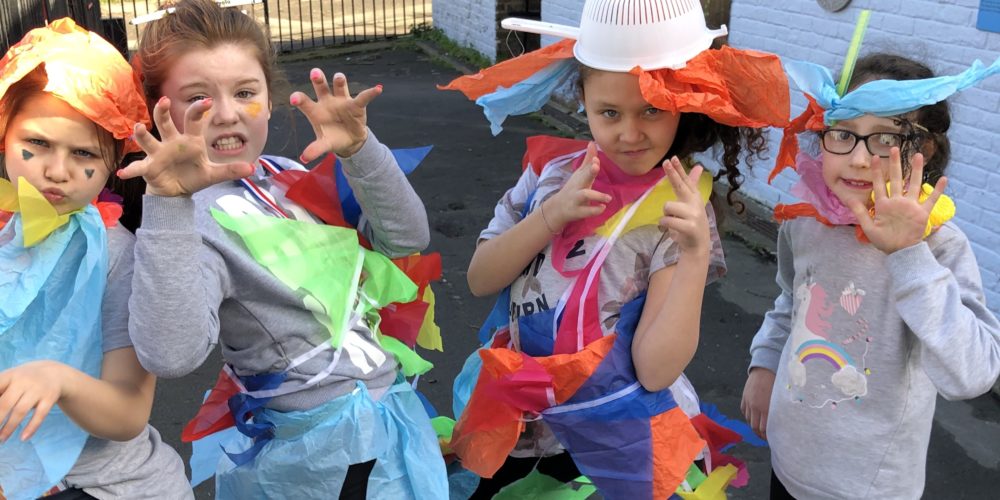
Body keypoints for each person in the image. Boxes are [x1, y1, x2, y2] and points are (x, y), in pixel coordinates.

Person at [441, 0, 790, 497]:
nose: (629, 133)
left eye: (652, 110)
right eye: (609, 112)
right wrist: (550, 216)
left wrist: (693, 257)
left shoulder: (680, 210)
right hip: (516, 428)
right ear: (582, 98)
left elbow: (655, 371)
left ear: (683, 103)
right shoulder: (549, 176)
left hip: (613, 444)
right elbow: (480, 279)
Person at [120, 0, 447, 498]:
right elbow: (171, 354)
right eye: (199, 99)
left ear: (269, 102)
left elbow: (405, 237)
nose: (227, 114)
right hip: (320, 459)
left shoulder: (281, 175)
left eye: (245, 92)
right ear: (159, 113)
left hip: (386, 422)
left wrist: (361, 150)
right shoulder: (193, 220)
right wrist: (167, 204)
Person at [740, 51, 1000, 499]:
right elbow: (790, 299)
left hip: (867, 486)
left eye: (885, 139)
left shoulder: (938, 244)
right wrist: (764, 364)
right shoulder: (806, 222)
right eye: (843, 133)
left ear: (924, 151)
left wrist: (908, 254)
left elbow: (971, 374)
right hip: (788, 460)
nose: (859, 160)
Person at [0, 19, 191, 500]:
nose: (56, 171)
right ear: (4, 133)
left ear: (113, 162)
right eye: (38, 143)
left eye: (83, 153)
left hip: (108, 485)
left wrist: (58, 379)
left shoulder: (118, 257)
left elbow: (128, 415)